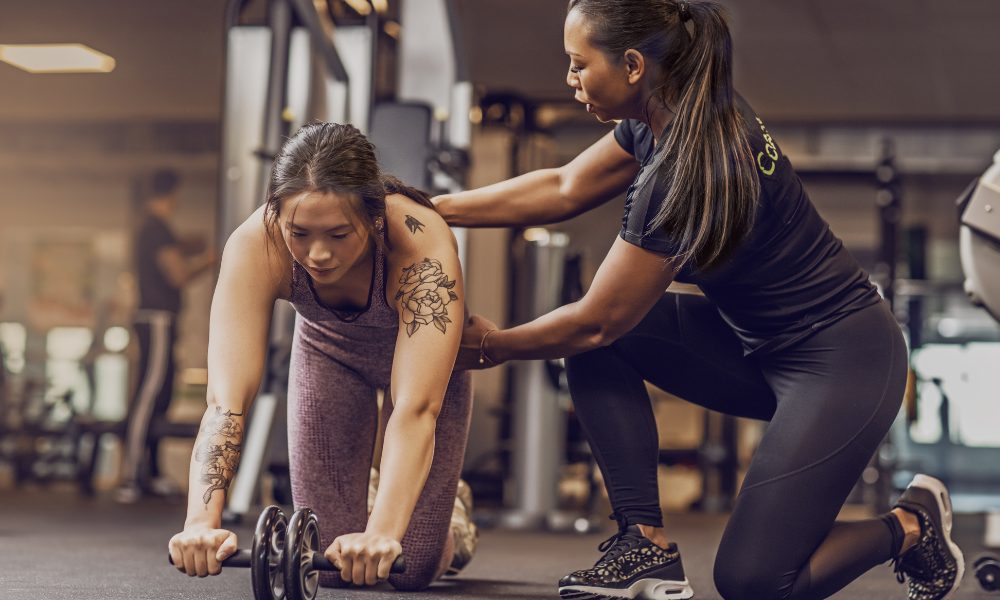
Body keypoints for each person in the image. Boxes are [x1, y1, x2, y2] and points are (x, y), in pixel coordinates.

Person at [435, 1, 964, 599]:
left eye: (579, 64)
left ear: (633, 65)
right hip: (756, 347)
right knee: (611, 344)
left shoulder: (691, 167)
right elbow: (564, 186)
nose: (570, 79)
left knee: (756, 582)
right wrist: (435, 209)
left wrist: (489, 346)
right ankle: (645, 547)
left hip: (846, 365)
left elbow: (593, 323)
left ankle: (910, 525)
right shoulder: (669, 114)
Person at [167, 123, 477, 591]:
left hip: (426, 371)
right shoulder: (257, 244)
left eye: (338, 234)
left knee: (410, 566)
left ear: (374, 219)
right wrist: (199, 522)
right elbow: (225, 402)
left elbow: (416, 408)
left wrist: (382, 534)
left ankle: (452, 511)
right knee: (332, 565)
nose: (318, 254)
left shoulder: (418, 244)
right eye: (301, 233)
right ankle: (381, 490)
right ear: (277, 215)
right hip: (328, 353)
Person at [115, 169, 216, 503]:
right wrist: (213, 259)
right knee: (148, 394)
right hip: (155, 320)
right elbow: (178, 275)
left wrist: (188, 244)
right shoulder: (155, 229)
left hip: (163, 321)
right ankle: (130, 476)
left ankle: (152, 473)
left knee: (161, 396)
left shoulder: (156, 230)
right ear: (172, 194)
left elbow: (173, 252)